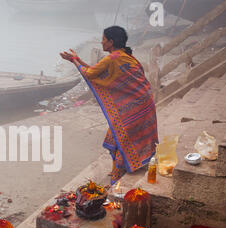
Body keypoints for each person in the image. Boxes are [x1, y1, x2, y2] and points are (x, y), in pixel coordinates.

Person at [60, 26, 158, 185]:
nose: (101, 42)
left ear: (111, 42)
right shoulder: (125, 56)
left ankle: (118, 176)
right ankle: (124, 167)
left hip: (136, 105)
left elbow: (89, 74)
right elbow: (95, 70)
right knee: (116, 135)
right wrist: (77, 59)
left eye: (104, 39)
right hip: (145, 102)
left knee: (121, 136)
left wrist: (73, 61)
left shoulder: (113, 58)